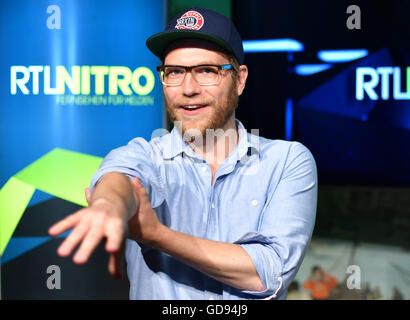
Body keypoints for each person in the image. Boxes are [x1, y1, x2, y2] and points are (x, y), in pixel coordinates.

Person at [48, 7, 317, 300]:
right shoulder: (145, 154)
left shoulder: (286, 161)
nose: (188, 89)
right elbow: (120, 179)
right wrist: (108, 204)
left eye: (206, 71)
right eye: (174, 72)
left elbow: (270, 273)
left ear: (239, 80)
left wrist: (157, 235)